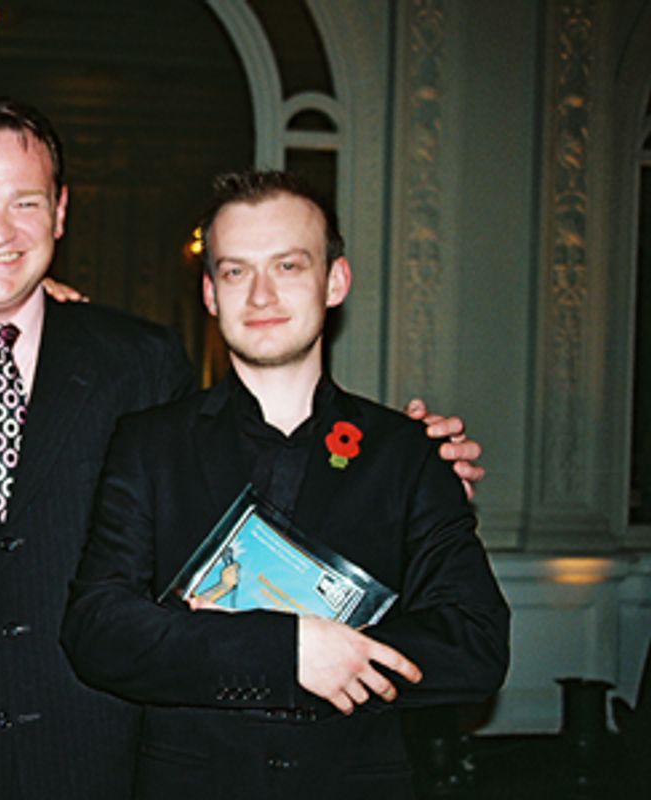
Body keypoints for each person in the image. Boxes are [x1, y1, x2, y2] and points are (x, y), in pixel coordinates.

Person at [0, 98, 484, 799]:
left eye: (25, 202)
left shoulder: (139, 361)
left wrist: (413, 473)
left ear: (60, 213)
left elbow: (233, 521)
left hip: (102, 763)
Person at [60, 169, 510, 799]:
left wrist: (340, 655)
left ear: (336, 281)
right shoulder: (148, 444)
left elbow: (476, 646)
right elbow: (98, 629)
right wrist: (287, 652)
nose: (262, 295)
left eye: (289, 266)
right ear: (211, 293)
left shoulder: (408, 452)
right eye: (237, 271)